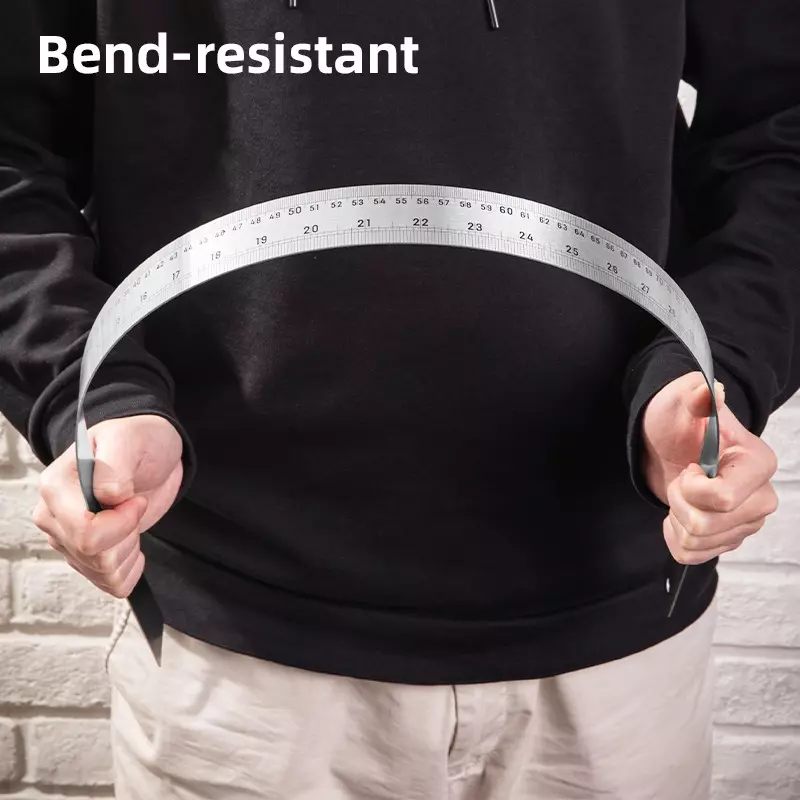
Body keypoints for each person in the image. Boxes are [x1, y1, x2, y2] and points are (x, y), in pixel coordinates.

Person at [1, 2, 798, 798]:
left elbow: (779, 127)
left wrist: (710, 369)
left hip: (623, 641)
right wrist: (97, 391)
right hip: (230, 657)